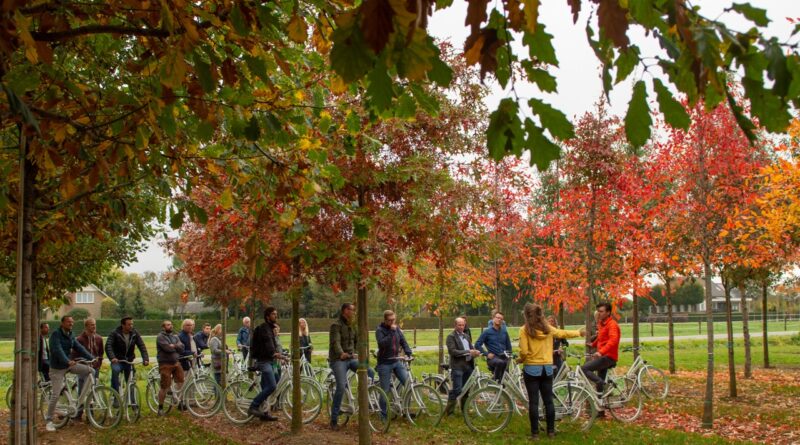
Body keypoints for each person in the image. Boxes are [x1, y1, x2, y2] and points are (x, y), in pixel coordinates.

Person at [518, 303, 584, 439]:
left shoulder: (524, 330)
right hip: (547, 368)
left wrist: (521, 359)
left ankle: (535, 434)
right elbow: (562, 333)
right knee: (548, 401)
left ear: (526, 315)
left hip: (531, 369)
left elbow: (524, 351)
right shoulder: (548, 328)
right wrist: (578, 332)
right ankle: (551, 431)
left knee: (534, 402)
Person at [45, 316, 96, 432]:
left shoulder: (71, 334)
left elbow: (79, 347)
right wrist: (67, 361)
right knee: (56, 395)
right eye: (68, 322)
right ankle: (48, 420)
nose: (71, 324)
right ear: (62, 323)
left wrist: (92, 358)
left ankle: (81, 399)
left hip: (68, 365)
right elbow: (57, 350)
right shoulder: (55, 335)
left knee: (91, 370)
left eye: (72, 322)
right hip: (57, 368)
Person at [329, 302, 374, 430]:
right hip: (338, 359)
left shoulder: (353, 326)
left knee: (369, 371)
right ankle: (333, 420)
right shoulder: (335, 325)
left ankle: (366, 401)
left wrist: (357, 352)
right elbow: (335, 342)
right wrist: (341, 353)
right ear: (344, 311)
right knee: (341, 386)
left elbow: (357, 341)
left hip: (351, 358)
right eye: (351, 310)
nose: (353, 312)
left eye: (354, 310)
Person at [375, 310, 412, 416]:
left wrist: (408, 351)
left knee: (408, 383)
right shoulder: (380, 330)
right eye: (390, 320)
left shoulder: (397, 329)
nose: (392, 322)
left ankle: (407, 410)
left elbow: (403, 341)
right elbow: (382, 344)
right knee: (385, 390)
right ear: (385, 320)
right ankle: (383, 414)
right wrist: (391, 332)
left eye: (394, 320)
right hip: (384, 363)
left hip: (396, 361)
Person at [247, 307, 280, 421]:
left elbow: (273, 344)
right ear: (267, 316)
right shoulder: (264, 328)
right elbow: (268, 343)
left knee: (268, 386)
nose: (276, 316)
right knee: (271, 386)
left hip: (270, 361)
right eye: (273, 314)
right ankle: (253, 406)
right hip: (263, 361)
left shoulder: (270, 328)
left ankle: (264, 412)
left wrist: (280, 354)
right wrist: (274, 353)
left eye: (276, 314)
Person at [582, 302, 620, 395]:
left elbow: (613, 340)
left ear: (608, 312)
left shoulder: (612, 325)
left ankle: (602, 383)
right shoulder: (601, 323)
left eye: (601, 311)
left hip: (608, 356)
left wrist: (601, 352)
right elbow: (600, 337)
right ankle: (600, 406)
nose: (599, 313)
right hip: (603, 356)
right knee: (599, 383)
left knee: (584, 369)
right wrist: (593, 344)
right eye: (598, 311)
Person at [106, 316, 150, 398]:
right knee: (115, 371)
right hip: (117, 360)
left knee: (131, 381)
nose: (131, 326)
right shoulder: (115, 333)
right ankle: (116, 396)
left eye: (132, 324)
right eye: (129, 324)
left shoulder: (134, 333)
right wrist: (112, 357)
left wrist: (145, 359)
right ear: (123, 325)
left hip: (129, 361)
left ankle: (133, 401)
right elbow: (108, 346)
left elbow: (141, 346)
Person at [444, 317, 481, 416]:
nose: (461, 327)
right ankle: (449, 411)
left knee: (466, 389)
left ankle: (464, 410)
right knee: (457, 390)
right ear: (455, 325)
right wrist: (468, 352)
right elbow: (453, 351)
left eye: (463, 325)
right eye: (459, 325)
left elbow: (471, 348)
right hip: (458, 367)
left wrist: (475, 352)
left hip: (468, 366)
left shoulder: (466, 336)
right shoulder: (451, 337)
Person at [73, 318, 103, 416]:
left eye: (94, 324)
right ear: (86, 326)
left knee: (92, 390)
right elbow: (75, 354)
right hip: (83, 368)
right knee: (82, 391)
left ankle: (90, 414)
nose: (94, 326)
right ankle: (79, 413)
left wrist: (98, 365)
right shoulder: (79, 339)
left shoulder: (99, 338)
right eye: (91, 325)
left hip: (94, 368)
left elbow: (101, 354)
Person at [156, 320, 185, 415]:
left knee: (181, 381)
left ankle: (180, 401)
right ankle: (160, 408)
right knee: (164, 387)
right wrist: (176, 347)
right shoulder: (160, 337)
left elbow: (182, 348)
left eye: (171, 324)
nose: (171, 326)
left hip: (176, 363)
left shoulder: (175, 336)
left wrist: (174, 346)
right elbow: (167, 348)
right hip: (165, 364)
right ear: (163, 327)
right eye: (168, 325)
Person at [474, 311, 513, 382]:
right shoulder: (487, 332)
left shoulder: (504, 332)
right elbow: (477, 344)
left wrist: (509, 355)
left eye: (501, 319)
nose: (499, 320)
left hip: (504, 358)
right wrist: (486, 354)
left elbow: (509, 346)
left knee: (505, 378)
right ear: (493, 319)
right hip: (493, 358)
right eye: (497, 318)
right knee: (500, 363)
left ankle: (498, 384)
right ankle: (496, 383)